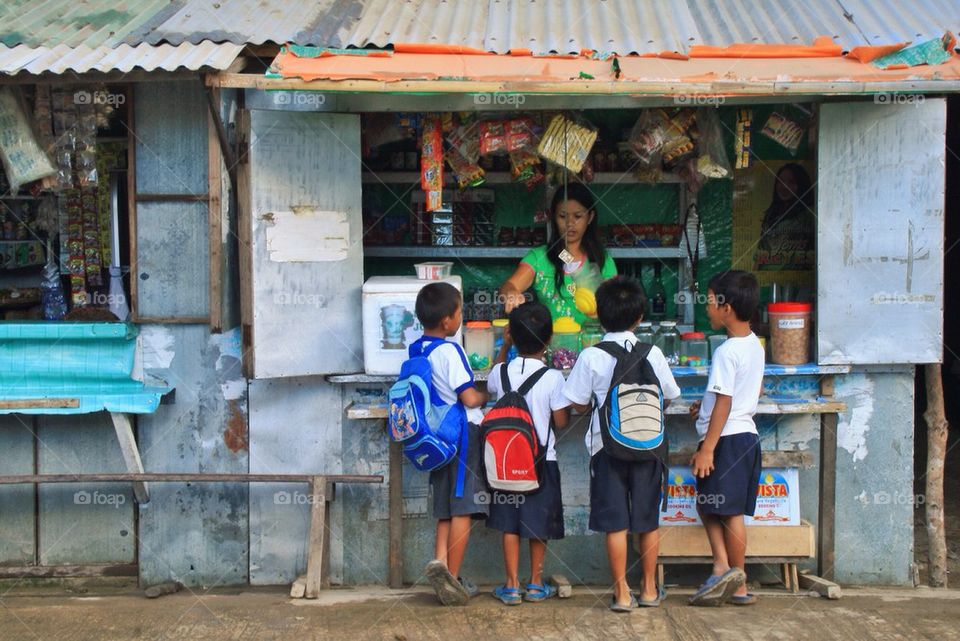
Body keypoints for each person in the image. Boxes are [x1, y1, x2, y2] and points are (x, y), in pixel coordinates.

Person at [563, 276, 681, 612]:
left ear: (598, 315)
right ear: (640, 316)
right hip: (649, 448)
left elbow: (577, 403)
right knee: (647, 520)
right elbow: (670, 397)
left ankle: (622, 593)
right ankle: (648, 589)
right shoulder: (654, 353)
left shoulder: (591, 356)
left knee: (616, 521)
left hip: (606, 449)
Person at [687, 270, 765, 607]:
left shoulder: (725, 352)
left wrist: (707, 448)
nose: (706, 308)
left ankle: (737, 578)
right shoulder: (754, 345)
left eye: (709, 301)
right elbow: (748, 391)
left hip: (726, 440)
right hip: (745, 436)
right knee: (712, 505)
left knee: (725, 512)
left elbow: (725, 401)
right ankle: (725, 569)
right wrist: (702, 408)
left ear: (726, 307)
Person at [485, 302, 571, 605]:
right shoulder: (553, 378)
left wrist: (504, 346)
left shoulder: (501, 372)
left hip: (505, 462)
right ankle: (535, 583)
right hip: (541, 461)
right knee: (539, 523)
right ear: (549, 340)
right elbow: (560, 421)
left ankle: (510, 585)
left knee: (509, 523)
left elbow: (492, 378)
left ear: (513, 336)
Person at [413, 282, 489, 606]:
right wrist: (488, 395)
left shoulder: (417, 349)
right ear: (447, 320)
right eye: (459, 311)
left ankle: (441, 567)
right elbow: (469, 397)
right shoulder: (449, 350)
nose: (461, 316)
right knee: (464, 507)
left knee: (444, 507)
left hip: (435, 439)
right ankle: (454, 580)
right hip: (460, 437)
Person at [500, 183, 617, 324]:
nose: (570, 223)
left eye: (578, 216)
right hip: (551, 343)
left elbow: (617, 307)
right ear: (553, 217)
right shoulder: (539, 257)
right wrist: (511, 293)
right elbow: (510, 285)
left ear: (590, 217)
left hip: (592, 343)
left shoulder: (603, 260)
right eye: (563, 216)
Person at [755, 163, 815, 271]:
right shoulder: (772, 214)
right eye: (781, 181)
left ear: (802, 185)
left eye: (791, 182)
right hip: (765, 278)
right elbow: (760, 252)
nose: (784, 186)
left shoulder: (808, 214)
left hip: (794, 281)